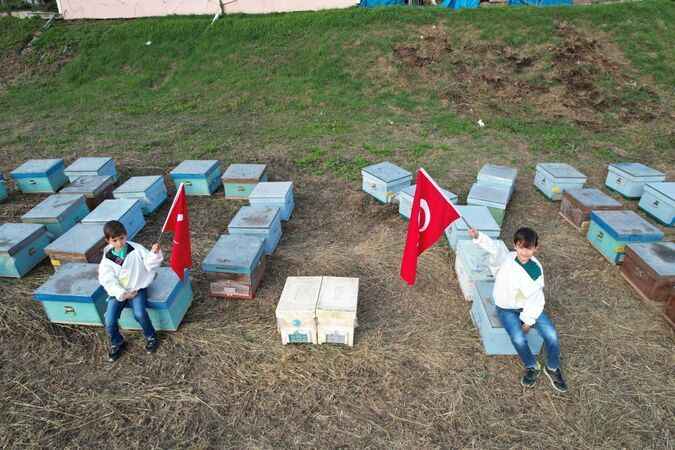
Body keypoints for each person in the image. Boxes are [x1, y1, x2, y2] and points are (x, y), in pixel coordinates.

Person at [468, 226, 568, 393]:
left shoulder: (535, 270)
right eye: (521, 247)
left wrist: (528, 321)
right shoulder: (507, 258)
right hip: (506, 308)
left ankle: (552, 367)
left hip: (528, 307)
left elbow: (536, 300)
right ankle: (531, 365)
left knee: (551, 334)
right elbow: (493, 247)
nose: (525, 251)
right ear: (515, 246)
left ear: (536, 248)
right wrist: (478, 236)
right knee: (518, 338)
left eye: (529, 248)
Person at [98, 220, 163, 362]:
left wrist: (154, 253)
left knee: (139, 314)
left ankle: (151, 336)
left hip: (137, 288)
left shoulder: (136, 249)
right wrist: (121, 293)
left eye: (121, 238)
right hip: (118, 292)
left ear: (126, 235)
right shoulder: (107, 258)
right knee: (109, 319)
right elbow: (106, 278)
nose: (119, 243)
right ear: (108, 241)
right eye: (114, 240)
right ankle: (117, 342)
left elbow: (149, 262)